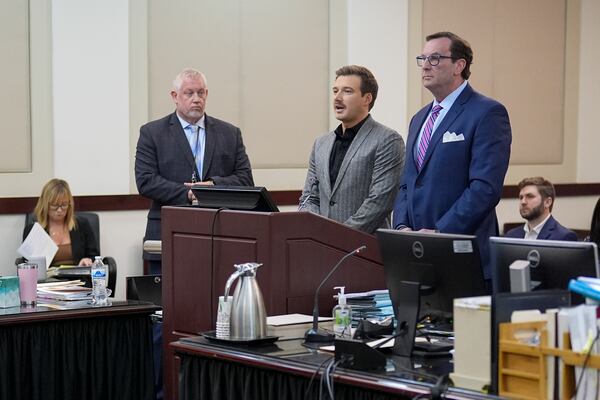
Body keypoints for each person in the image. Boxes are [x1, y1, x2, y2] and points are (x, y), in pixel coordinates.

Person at [393, 32, 512, 280]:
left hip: (462, 255)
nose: (425, 65)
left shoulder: (487, 112)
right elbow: (407, 183)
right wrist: (402, 228)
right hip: (417, 254)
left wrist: (440, 233)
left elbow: (484, 189)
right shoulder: (419, 118)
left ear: (460, 65)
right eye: (423, 58)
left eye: (435, 58)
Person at [135, 68, 254, 247]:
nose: (196, 99)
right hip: (169, 230)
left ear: (206, 94)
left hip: (220, 233)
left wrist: (213, 186)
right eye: (189, 93)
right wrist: (189, 193)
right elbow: (146, 181)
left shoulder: (229, 133)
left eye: (201, 93)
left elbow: (245, 180)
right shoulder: (152, 133)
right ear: (175, 96)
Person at [298, 65, 405, 234]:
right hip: (321, 246)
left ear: (367, 98)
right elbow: (309, 197)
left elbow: (379, 202)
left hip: (365, 249)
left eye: (347, 91)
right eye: (335, 91)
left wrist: (339, 237)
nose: (337, 98)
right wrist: (317, 233)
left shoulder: (387, 139)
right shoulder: (321, 143)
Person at [23, 179, 99, 266]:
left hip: (79, 278)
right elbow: (26, 264)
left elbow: (95, 257)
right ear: (45, 204)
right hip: (47, 279)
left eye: (64, 205)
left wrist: (87, 260)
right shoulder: (33, 230)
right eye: (54, 205)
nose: (59, 210)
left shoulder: (82, 225)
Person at [505, 177, 577, 241]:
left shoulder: (563, 237)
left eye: (530, 196)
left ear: (547, 202)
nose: (523, 202)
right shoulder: (511, 236)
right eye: (521, 197)